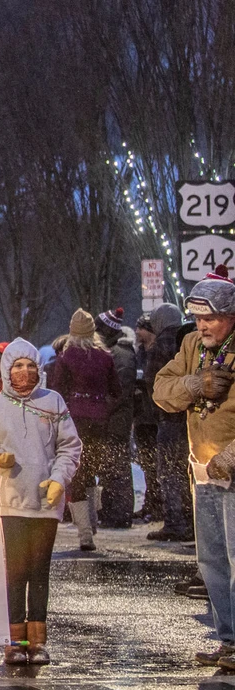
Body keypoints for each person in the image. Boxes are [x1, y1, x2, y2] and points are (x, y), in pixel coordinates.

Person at [0, 338, 82, 665]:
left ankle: (37, 642)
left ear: (39, 368)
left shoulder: (53, 403)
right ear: (6, 371)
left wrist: (59, 479)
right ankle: (13, 640)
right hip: (8, 503)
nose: (25, 372)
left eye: (30, 365)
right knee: (14, 571)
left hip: (45, 504)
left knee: (39, 571)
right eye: (18, 366)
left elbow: (70, 447)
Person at [153, 267, 235, 667]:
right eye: (199, 318)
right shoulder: (190, 345)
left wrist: (231, 456)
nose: (203, 325)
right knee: (212, 561)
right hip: (203, 472)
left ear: (231, 317)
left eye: (211, 318)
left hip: (231, 471)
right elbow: (160, 391)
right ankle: (229, 642)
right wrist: (193, 385)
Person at [47, 309, 122, 552]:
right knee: (92, 470)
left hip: (74, 420)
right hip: (99, 420)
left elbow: (58, 390)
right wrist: (103, 407)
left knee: (76, 474)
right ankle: (93, 519)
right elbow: (116, 391)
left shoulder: (67, 357)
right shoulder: (105, 357)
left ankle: (85, 534)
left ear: (72, 331)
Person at [145, 303, 193, 542]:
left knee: (168, 472)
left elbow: (154, 386)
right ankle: (193, 521)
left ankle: (175, 523)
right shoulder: (191, 341)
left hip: (169, 420)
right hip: (191, 419)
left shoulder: (160, 345)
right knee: (189, 471)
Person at [94, 307, 137, 528]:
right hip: (113, 419)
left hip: (117, 421)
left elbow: (119, 391)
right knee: (110, 467)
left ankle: (119, 513)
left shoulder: (121, 355)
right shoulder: (115, 352)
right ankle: (112, 510)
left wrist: (101, 409)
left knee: (117, 466)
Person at [133, 313, 164, 525]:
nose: (136, 332)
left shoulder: (157, 352)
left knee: (156, 464)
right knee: (146, 464)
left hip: (154, 416)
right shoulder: (141, 352)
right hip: (142, 416)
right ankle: (150, 503)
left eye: (140, 328)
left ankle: (158, 505)